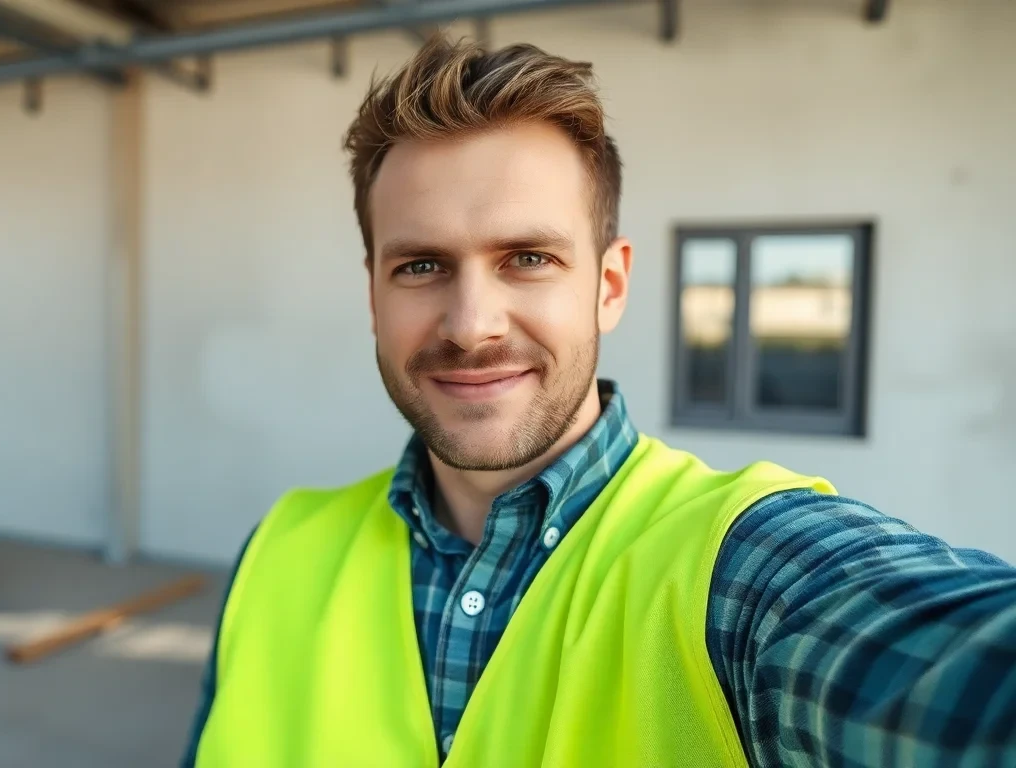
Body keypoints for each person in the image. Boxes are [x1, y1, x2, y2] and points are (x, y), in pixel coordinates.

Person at [182, 36, 1016, 767]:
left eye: (529, 259)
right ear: (373, 295)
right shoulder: (277, 552)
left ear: (609, 285)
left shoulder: (743, 573)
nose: (471, 327)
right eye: (422, 266)